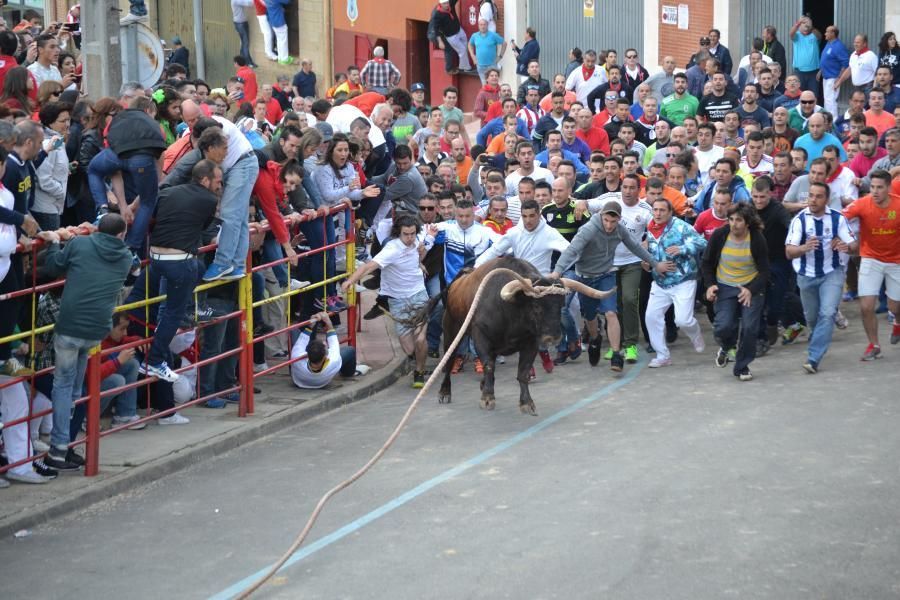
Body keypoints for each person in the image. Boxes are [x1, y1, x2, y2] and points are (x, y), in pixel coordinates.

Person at [36, 213, 132, 471]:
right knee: (75, 389)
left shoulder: (80, 244)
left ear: (97, 228)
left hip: (69, 327)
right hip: (97, 330)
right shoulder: (125, 257)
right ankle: (65, 444)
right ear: (122, 235)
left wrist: (57, 240)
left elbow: (54, 266)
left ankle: (57, 449)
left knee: (63, 387)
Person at [550, 200, 666, 372]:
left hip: (606, 275)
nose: (610, 225)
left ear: (619, 219)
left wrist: (655, 264)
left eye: (613, 221)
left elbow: (635, 247)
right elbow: (571, 251)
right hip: (585, 278)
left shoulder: (620, 230)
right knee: (589, 317)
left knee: (611, 313)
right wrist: (557, 272)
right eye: (606, 220)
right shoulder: (588, 230)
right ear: (601, 216)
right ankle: (595, 339)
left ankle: (617, 354)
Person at [143, 160, 222, 383]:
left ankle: (158, 352)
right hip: (179, 261)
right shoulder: (209, 200)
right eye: (217, 181)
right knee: (173, 314)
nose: (219, 185)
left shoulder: (168, 192)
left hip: (155, 258)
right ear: (205, 180)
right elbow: (205, 227)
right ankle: (155, 360)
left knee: (166, 308)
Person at [343, 214, 431, 387]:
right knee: (409, 348)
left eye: (413, 234)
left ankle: (419, 372)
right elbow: (368, 266)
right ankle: (417, 360)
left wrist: (419, 261)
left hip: (419, 295)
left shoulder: (418, 237)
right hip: (397, 301)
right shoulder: (392, 249)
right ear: (398, 233)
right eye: (406, 234)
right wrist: (350, 281)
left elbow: (423, 244)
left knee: (420, 339)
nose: (410, 238)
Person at [785, 181, 855, 373]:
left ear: (827, 199)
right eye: (811, 196)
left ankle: (813, 357)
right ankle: (818, 340)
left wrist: (845, 245)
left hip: (832, 272)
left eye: (818, 196)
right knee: (813, 318)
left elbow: (854, 246)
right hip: (806, 276)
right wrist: (803, 248)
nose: (813, 200)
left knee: (828, 312)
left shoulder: (837, 219)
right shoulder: (799, 220)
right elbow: (789, 252)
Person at [702, 203, 769, 381]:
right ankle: (727, 346)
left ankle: (742, 367)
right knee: (723, 326)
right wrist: (710, 285)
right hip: (725, 286)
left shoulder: (756, 238)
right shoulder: (719, 235)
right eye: (731, 219)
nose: (734, 224)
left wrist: (750, 289)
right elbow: (707, 263)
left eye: (738, 220)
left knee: (749, 328)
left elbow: (765, 271)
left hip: (750, 286)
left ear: (747, 222)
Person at [841, 170, 900, 360]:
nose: (875, 191)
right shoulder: (862, 203)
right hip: (870, 258)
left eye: (880, 187)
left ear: (889, 188)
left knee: (894, 306)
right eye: (872, 187)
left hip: (896, 261)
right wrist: (845, 239)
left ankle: (897, 322)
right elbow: (840, 219)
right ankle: (874, 345)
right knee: (866, 307)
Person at [643, 196, 708, 367]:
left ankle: (695, 334)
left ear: (670, 212)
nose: (657, 213)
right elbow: (647, 247)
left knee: (683, 320)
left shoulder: (681, 227)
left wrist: (683, 248)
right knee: (651, 316)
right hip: (660, 282)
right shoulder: (650, 227)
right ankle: (662, 355)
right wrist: (649, 263)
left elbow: (702, 242)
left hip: (683, 280)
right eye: (655, 209)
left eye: (662, 210)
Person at [288, 311, 358, 389]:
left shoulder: (296, 357)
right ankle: (348, 373)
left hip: (299, 381)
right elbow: (334, 343)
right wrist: (329, 323)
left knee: (294, 332)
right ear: (325, 357)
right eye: (324, 345)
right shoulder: (334, 360)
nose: (325, 342)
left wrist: (310, 326)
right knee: (350, 350)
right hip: (322, 382)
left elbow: (301, 342)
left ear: (307, 354)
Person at [429, 0, 472, 75]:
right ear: (440, 4)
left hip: (459, 30)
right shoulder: (437, 15)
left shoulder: (450, 4)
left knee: (465, 45)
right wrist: (440, 41)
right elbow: (436, 29)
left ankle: (462, 66)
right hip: (451, 37)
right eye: (445, 3)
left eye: (447, 3)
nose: (447, 5)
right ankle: (466, 68)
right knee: (462, 50)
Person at [819, 26, 850, 117]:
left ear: (833, 33)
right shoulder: (829, 44)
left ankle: (833, 122)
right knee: (827, 100)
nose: (825, 34)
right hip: (826, 76)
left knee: (831, 101)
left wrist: (839, 78)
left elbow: (845, 63)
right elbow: (827, 59)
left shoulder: (838, 46)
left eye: (827, 32)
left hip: (833, 77)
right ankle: (827, 119)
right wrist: (820, 70)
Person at [467, 18, 505, 85]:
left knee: (493, 84)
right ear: (478, 26)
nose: (483, 26)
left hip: (492, 65)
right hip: (480, 65)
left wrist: (500, 56)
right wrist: (473, 56)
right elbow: (470, 44)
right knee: (484, 85)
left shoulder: (493, 35)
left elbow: (504, 43)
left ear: (487, 25)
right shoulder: (474, 36)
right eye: (481, 25)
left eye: (484, 24)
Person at [790, 16, 822, 93]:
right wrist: (798, 23)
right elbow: (791, 33)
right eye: (803, 24)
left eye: (807, 25)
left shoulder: (814, 34)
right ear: (799, 26)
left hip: (813, 72)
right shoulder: (797, 36)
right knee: (799, 94)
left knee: (814, 94)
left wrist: (810, 25)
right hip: (799, 71)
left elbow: (820, 36)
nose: (805, 28)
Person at [230, 0, 256, 68]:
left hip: (241, 23)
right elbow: (249, 3)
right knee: (245, 43)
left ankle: (242, 62)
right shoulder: (236, 0)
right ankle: (249, 63)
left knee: (243, 43)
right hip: (240, 23)